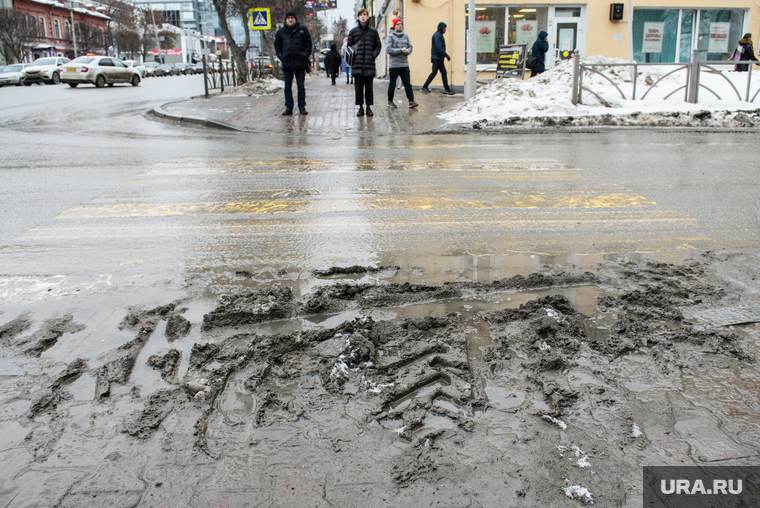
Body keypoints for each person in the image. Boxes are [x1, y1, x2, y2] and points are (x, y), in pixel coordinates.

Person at [274, 11, 312, 115]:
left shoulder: (302, 30)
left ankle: (302, 107)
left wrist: (304, 55)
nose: (290, 19)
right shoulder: (281, 32)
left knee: (301, 87)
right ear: (286, 20)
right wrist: (281, 56)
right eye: (288, 18)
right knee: (287, 87)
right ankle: (289, 107)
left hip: (300, 63)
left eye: (292, 17)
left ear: (295, 19)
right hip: (287, 63)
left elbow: (308, 44)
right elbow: (277, 45)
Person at [347, 8, 381, 116]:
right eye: (361, 14)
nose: (363, 16)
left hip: (369, 65)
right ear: (358, 17)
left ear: (367, 16)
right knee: (358, 88)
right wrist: (354, 58)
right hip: (357, 65)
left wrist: (373, 55)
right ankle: (360, 107)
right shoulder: (353, 31)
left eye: (365, 14)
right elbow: (349, 47)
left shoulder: (373, 32)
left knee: (369, 88)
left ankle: (368, 107)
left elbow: (378, 45)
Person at [385, 18, 418, 108]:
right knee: (392, 83)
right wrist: (400, 50)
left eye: (401, 24)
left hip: (404, 64)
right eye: (398, 24)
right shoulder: (390, 37)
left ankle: (411, 101)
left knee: (407, 83)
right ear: (394, 26)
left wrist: (407, 51)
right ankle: (390, 101)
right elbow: (388, 49)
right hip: (394, 65)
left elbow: (410, 47)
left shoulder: (406, 36)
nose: (400, 25)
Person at [421, 22, 454, 95]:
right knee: (434, 72)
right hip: (437, 58)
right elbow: (439, 48)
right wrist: (446, 55)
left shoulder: (438, 35)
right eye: (444, 28)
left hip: (438, 58)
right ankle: (425, 86)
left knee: (443, 72)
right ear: (441, 28)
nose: (445, 30)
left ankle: (447, 89)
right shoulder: (437, 36)